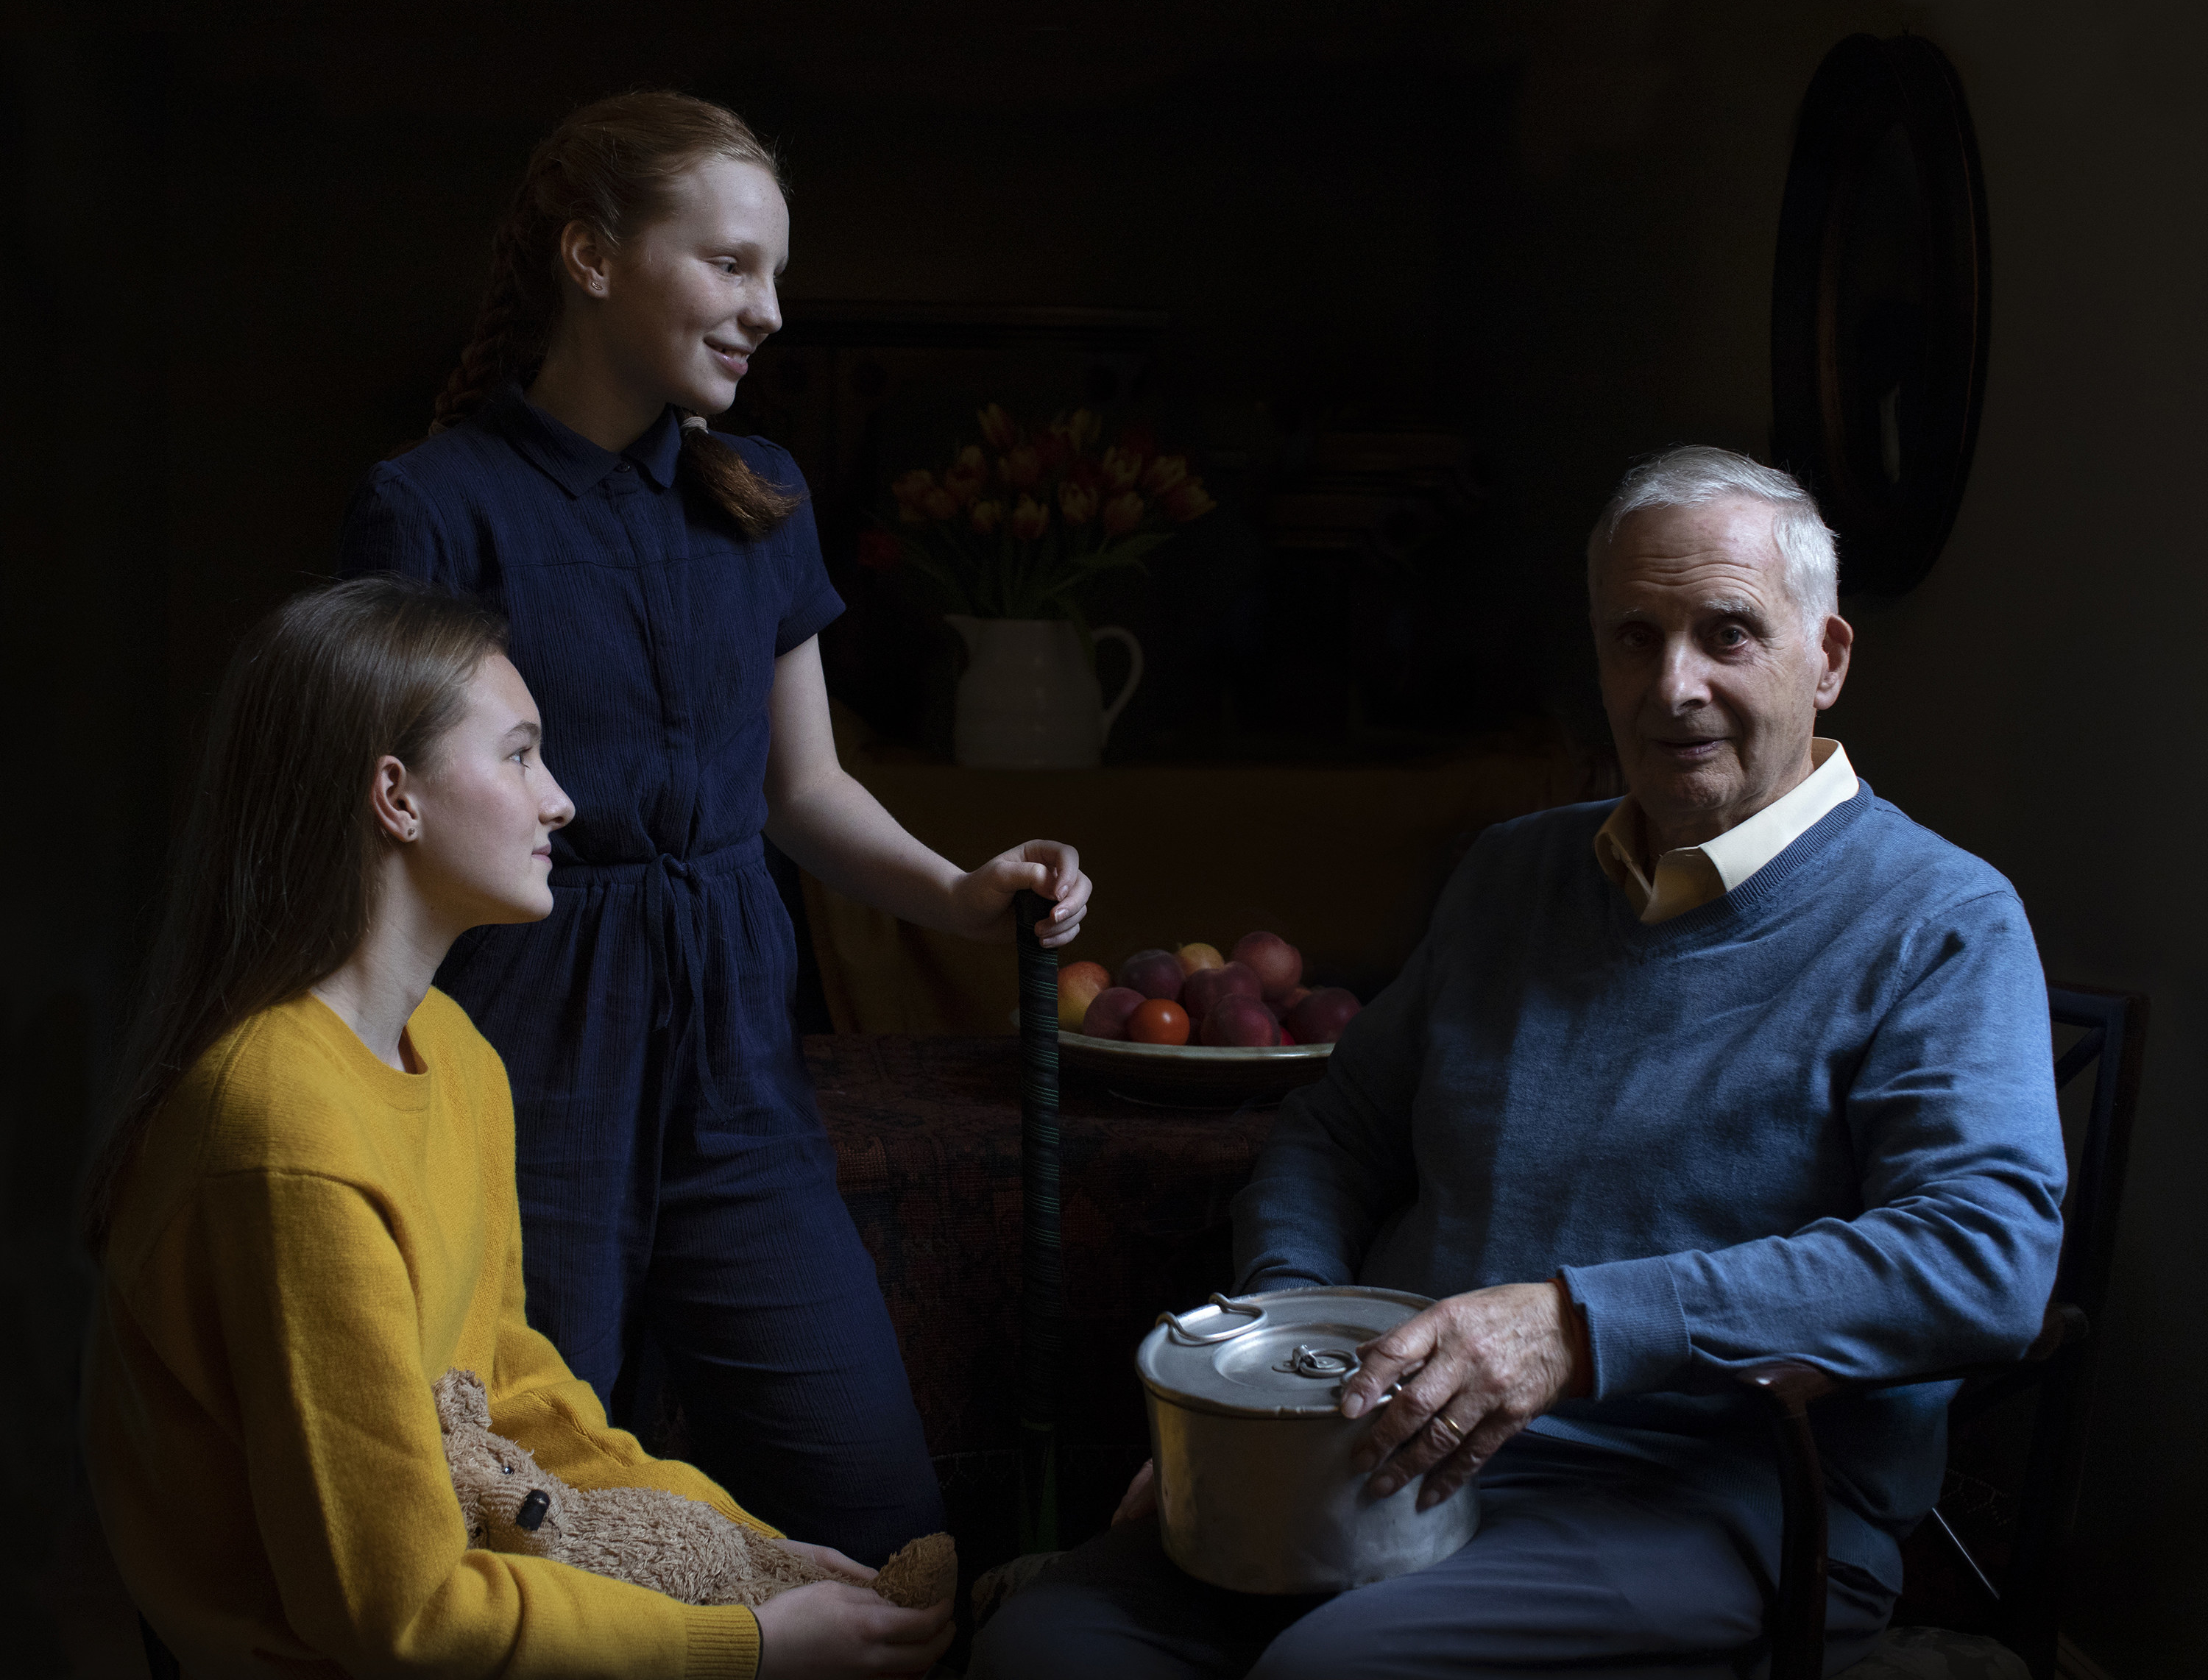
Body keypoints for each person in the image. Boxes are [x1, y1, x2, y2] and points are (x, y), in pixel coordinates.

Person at [972, 447, 2069, 1679]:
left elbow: (1985, 1258)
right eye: (1632, 638)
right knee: (1043, 1648)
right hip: (1376, 1448)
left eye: (1727, 634)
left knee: (1332, 1674)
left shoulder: (1943, 918)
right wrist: (1285, 1371)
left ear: (1829, 657)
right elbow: (1331, 1139)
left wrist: (1575, 1327)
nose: (1675, 687)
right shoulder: (1511, 873)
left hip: (1701, 1496)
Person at [338, 91, 1093, 1564]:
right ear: (593, 257)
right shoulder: (432, 508)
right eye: (733, 266)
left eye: (777, 275)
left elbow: (796, 789)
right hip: (523, 1059)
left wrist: (959, 887)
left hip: (741, 1065)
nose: (771, 311)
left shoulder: (762, 498)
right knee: (529, 1525)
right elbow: (386, 828)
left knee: (888, 1525)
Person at [80, 578, 954, 1678]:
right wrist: (745, 1650)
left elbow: (516, 1393)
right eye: (521, 755)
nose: (563, 802)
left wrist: (753, 1557)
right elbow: (397, 1618)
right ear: (394, 796)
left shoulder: (451, 1049)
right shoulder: (282, 1130)